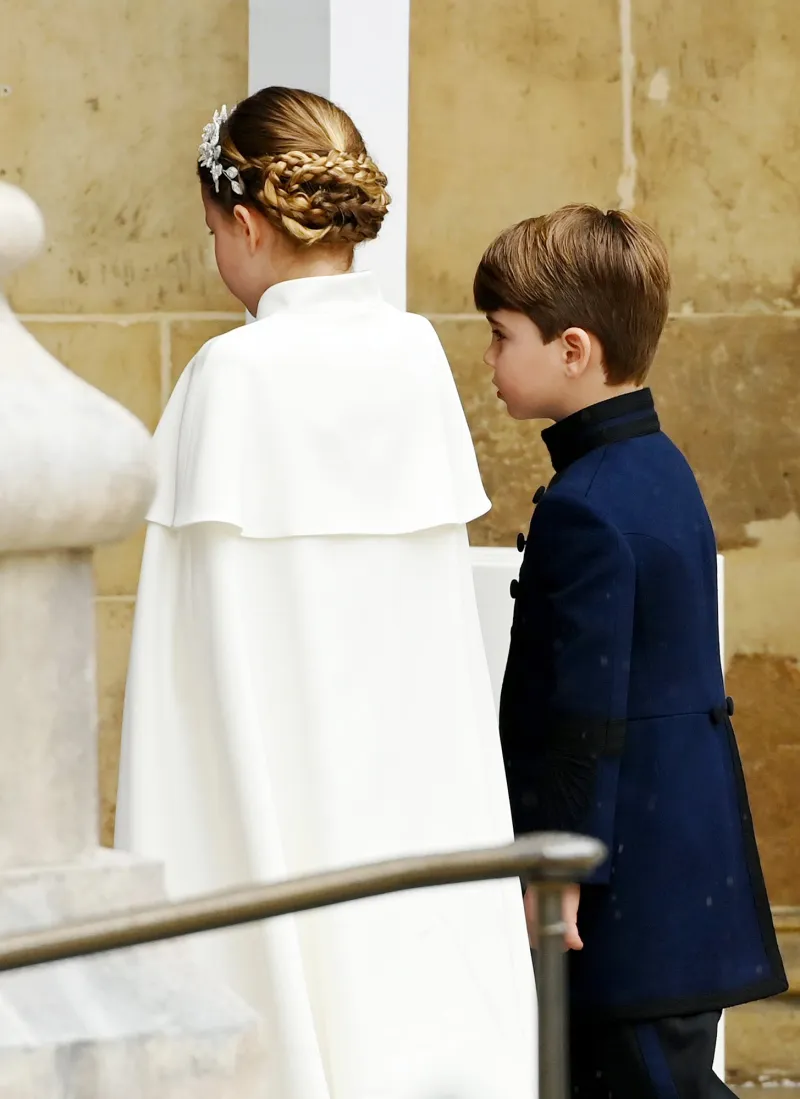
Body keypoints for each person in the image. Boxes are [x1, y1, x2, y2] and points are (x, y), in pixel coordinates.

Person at [115, 87, 535, 1099]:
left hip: (280, 783)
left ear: (247, 225)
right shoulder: (415, 357)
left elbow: (190, 670)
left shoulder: (233, 375)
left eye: (215, 229)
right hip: (416, 788)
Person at [473, 205, 787, 1098]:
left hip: (626, 905)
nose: (489, 362)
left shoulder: (587, 502)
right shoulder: (658, 465)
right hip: (680, 878)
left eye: (502, 338)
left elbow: (584, 714)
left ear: (573, 349)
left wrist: (558, 869)